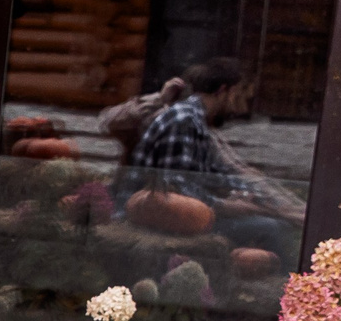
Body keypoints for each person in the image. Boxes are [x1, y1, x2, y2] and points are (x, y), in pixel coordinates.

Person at [118, 57, 300, 264]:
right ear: (225, 90)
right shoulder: (184, 121)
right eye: (241, 98)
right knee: (269, 228)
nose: (241, 109)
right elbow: (175, 191)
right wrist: (232, 206)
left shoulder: (198, 122)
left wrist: (275, 206)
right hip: (154, 217)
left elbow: (222, 175)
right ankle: (291, 281)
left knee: (276, 223)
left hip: (184, 212)